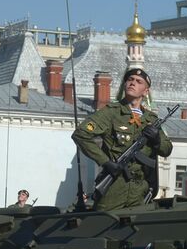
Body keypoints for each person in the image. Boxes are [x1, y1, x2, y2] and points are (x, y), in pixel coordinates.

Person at [72, 67, 172, 210]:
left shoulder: (151, 119)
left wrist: (157, 140)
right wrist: (105, 162)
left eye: (139, 81)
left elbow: (167, 149)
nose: (132, 83)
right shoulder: (111, 113)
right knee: (103, 224)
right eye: (130, 80)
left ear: (145, 91)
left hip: (140, 188)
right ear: (125, 85)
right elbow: (81, 134)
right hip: (115, 185)